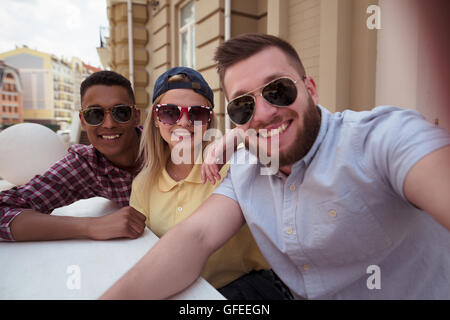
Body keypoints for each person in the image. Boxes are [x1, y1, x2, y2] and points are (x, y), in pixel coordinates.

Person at [100, 34, 450, 300]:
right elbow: (196, 236)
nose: (264, 112)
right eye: (243, 105)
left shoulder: (379, 139)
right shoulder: (245, 170)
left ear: (310, 88)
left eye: (278, 90)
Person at [128, 66, 290, 299]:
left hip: (245, 290)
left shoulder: (235, 165)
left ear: (208, 121)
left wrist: (239, 135)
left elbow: (281, 163)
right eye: (170, 112)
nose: (183, 122)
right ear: (155, 119)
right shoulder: (144, 183)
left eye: (197, 114)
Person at [0, 70, 146, 241]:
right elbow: (4, 210)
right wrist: (91, 226)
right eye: (95, 114)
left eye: (121, 112)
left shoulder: (167, 145)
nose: (109, 124)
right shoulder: (85, 165)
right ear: (83, 121)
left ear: (136, 117)